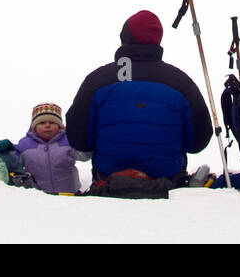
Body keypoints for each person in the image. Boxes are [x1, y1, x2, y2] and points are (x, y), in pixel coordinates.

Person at [66, 10, 213, 186]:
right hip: (168, 183)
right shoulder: (180, 82)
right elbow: (197, 143)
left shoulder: (98, 80)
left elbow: (79, 141)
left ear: (125, 37)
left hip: (109, 181)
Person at [13, 103, 88, 194]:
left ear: (60, 126)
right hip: (38, 196)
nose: (47, 125)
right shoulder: (26, 144)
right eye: (42, 123)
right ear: (34, 128)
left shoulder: (68, 140)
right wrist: (0, 150)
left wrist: (82, 141)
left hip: (69, 194)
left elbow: (84, 156)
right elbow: (12, 160)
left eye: (52, 122)